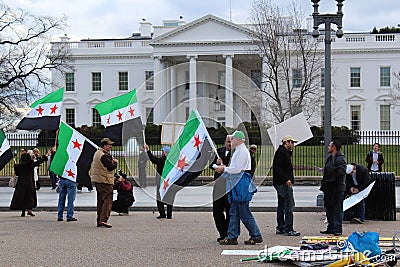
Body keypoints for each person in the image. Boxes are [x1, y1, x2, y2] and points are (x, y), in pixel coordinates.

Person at [216, 131, 263, 245]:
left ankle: (256, 235)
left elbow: (237, 169)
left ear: (237, 140)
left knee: (243, 212)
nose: (231, 141)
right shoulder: (240, 151)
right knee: (234, 212)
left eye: (232, 139)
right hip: (238, 182)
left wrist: (224, 169)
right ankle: (232, 236)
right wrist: (225, 168)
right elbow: (236, 169)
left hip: (240, 183)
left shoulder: (241, 151)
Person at [272, 135, 301, 236]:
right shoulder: (281, 153)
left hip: (280, 182)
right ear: (286, 142)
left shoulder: (283, 152)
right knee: (289, 205)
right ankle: (288, 228)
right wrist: (287, 179)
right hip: (283, 183)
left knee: (281, 205)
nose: (293, 145)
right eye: (292, 142)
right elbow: (278, 168)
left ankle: (281, 227)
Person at [10, 149, 51, 216]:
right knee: (30, 197)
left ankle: (23, 212)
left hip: (21, 184)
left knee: (22, 197)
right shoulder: (30, 164)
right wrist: (46, 155)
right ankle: (29, 210)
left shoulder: (19, 166)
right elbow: (39, 162)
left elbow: (17, 173)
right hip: (29, 183)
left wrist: (16, 166)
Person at [320, 140, 347, 236]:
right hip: (329, 187)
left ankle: (337, 228)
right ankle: (331, 227)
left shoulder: (340, 159)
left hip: (337, 188)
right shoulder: (330, 158)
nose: (328, 147)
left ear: (334, 147)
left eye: (329, 146)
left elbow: (341, 171)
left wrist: (328, 170)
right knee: (329, 208)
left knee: (337, 208)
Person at [91, 137, 118, 228]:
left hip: (99, 180)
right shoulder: (103, 155)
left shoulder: (98, 153)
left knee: (101, 200)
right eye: (109, 145)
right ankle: (103, 220)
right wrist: (115, 162)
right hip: (105, 180)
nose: (111, 146)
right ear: (104, 145)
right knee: (108, 200)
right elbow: (110, 166)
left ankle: (99, 219)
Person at [209, 135, 232, 242]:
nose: (229, 144)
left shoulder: (236, 154)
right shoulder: (219, 152)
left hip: (230, 185)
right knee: (217, 210)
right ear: (224, 142)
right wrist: (216, 165)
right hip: (219, 185)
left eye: (231, 142)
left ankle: (228, 233)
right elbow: (211, 164)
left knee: (230, 210)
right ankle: (222, 233)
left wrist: (224, 167)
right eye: (228, 142)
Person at [145, 144, 173, 219]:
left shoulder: (162, 160)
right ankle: (169, 214)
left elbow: (153, 159)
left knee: (159, 198)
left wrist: (148, 151)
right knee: (170, 198)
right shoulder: (172, 161)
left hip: (161, 181)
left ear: (164, 152)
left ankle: (162, 213)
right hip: (169, 181)